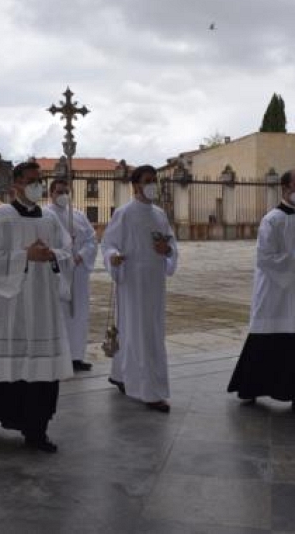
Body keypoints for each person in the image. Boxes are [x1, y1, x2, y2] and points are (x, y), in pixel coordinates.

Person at [0, 161, 73, 453]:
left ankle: (37, 430)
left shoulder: (50, 218)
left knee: (41, 372)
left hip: (43, 306)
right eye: (31, 181)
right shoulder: (0, 217)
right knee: (9, 366)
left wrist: (51, 255)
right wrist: (25, 256)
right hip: (12, 305)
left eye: (40, 180)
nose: (37, 185)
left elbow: (66, 250)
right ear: (16, 185)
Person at [227, 169, 295, 416]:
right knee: (269, 342)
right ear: (284, 188)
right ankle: (250, 387)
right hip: (278, 293)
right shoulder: (272, 220)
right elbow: (265, 258)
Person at [101, 164, 178, 413]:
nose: (152, 184)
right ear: (135, 185)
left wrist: (167, 251)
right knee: (138, 332)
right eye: (147, 180)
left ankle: (122, 374)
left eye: (154, 179)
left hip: (155, 283)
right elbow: (109, 243)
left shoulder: (159, 214)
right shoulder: (124, 213)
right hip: (132, 282)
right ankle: (149, 391)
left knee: (148, 331)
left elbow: (171, 244)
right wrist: (113, 256)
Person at [45, 178, 98, 372]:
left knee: (79, 313)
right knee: (59, 313)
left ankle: (76, 356)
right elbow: (44, 242)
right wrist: (64, 251)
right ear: (51, 194)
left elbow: (92, 240)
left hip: (79, 271)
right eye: (59, 192)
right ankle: (58, 355)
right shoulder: (45, 215)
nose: (63, 196)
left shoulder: (79, 216)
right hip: (58, 272)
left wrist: (81, 255)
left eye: (66, 192)